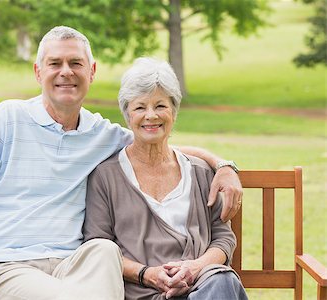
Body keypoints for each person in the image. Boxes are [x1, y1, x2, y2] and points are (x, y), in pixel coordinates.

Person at [0, 26, 242, 300]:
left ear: (91, 71)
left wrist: (223, 165)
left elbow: (158, 139)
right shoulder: (8, 118)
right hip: (5, 266)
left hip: (72, 267)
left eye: (75, 63)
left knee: (103, 249)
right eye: (55, 63)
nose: (66, 72)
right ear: (37, 71)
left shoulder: (101, 134)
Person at [83, 57, 247, 300]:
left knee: (222, 281)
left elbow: (223, 237)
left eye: (160, 106)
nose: (151, 115)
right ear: (128, 115)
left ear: (174, 112)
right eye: (140, 107)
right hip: (142, 292)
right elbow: (97, 246)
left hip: (203, 287)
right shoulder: (106, 177)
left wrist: (195, 268)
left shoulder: (200, 172)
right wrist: (148, 274)